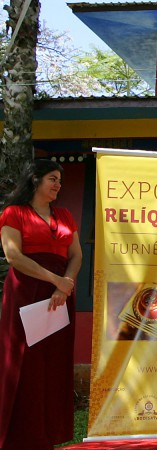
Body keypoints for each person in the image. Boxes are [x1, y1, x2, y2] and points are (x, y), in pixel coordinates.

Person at [0, 159, 82, 450]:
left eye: (60, 180)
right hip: (26, 292)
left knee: (54, 364)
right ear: (35, 179)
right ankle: (17, 438)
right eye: (52, 178)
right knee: (24, 363)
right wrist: (55, 280)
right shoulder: (14, 212)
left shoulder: (65, 215)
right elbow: (13, 257)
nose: (58, 184)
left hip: (60, 296)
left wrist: (64, 285)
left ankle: (48, 436)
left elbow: (76, 255)